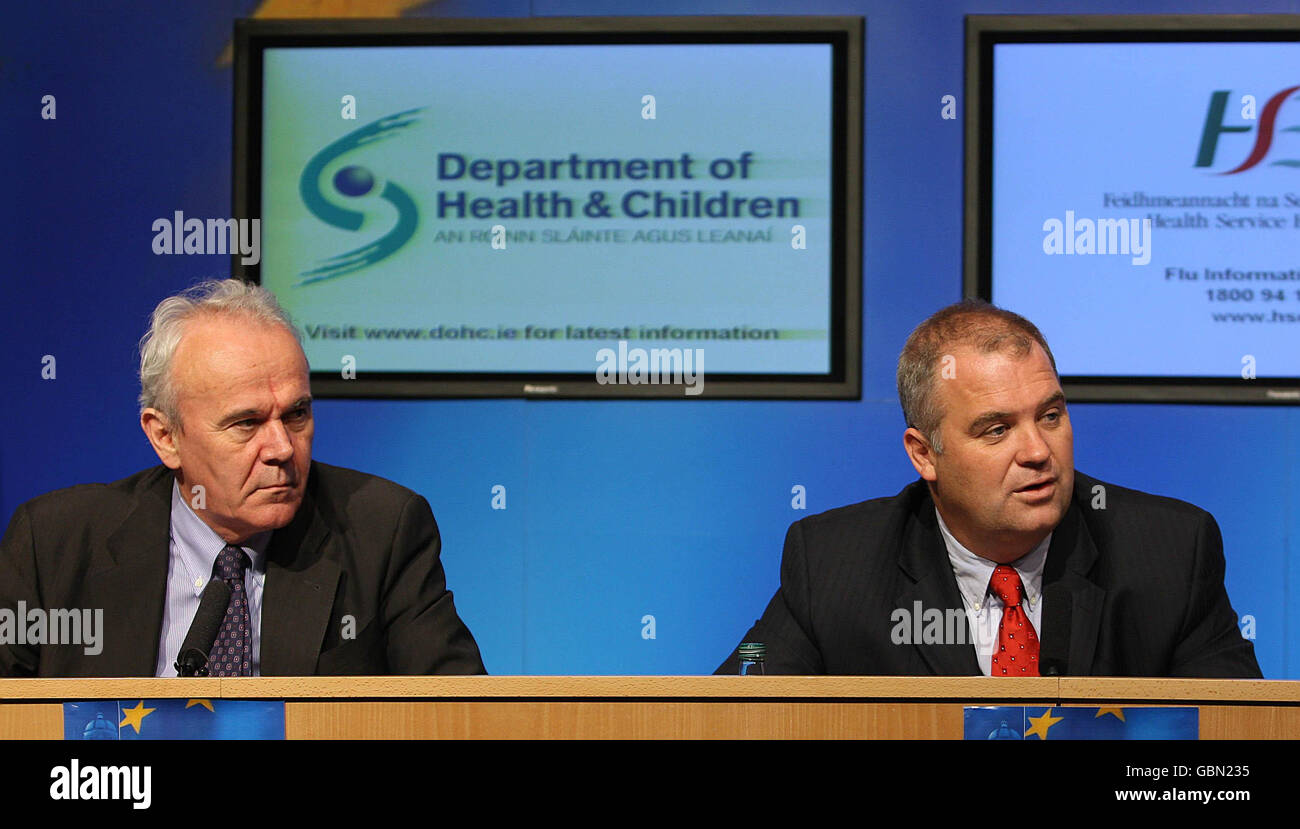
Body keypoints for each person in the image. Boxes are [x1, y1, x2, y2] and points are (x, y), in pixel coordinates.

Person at [718, 299, 1261, 677]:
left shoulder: (1170, 552)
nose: (1037, 452)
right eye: (996, 429)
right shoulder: (834, 563)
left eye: (1050, 415)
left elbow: (1234, 761)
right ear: (924, 454)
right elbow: (724, 715)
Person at [0, 279, 485, 677]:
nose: (280, 449)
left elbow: (461, 717)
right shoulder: (55, 544)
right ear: (165, 436)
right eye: (246, 423)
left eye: (296, 414)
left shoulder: (382, 530)